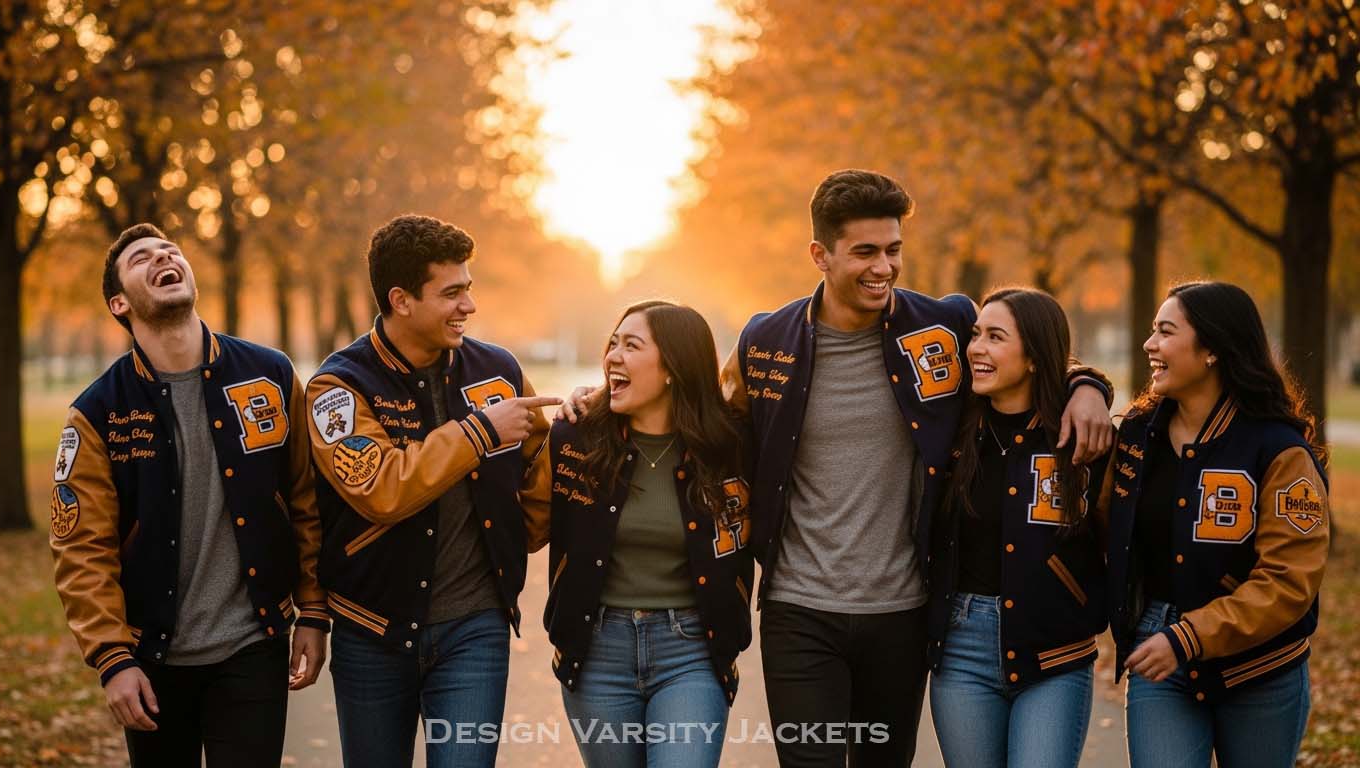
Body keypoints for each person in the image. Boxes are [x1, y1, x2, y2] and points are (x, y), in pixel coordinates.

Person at [561, 169, 1116, 767]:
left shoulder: (942, 328)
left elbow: (1023, 351)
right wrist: (603, 398)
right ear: (820, 255)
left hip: (901, 614)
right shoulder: (766, 341)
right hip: (799, 614)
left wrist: (1087, 385)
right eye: (866, 252)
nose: (884, 267)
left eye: (894, 250)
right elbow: (704, 417)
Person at [49, 223, 329, 767]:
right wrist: (112, 656)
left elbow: (305, 501)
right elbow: (81, 549)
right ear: (119, 303)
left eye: (170, 251)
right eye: (141, 260)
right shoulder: (97, 412)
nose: (162, 259)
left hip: (253, 644)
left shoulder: (269, 375)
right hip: (150, 660)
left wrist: (313, 611)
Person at [305, 214, 559, 768]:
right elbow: (380, 488)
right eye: (452, 293)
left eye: (468, 288)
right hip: (371, 629)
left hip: (476, 628)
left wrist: (522, 533)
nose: (469, 305)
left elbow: (539, 461)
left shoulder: (497, 369)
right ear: (401, 300)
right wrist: (479, 432)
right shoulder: (337, 387)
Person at [524, 301, 754, 768]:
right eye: (612, 342)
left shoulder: (728, 446)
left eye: (632, 345)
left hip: (690, 650)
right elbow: (527, 529)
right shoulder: (576, 439)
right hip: (596, 653)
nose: (613, 355)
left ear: (673, 366)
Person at [1107, 281, 1329, 767]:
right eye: (1151, 332)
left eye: (1165, 332)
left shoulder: (1279, 449)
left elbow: (1289, 582)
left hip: (1262, 670)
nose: (1150, 345)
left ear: (1211, 349)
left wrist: (1190, 637)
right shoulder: (1137, 436)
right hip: (1158, 655)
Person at [926, 287, 1110, 767]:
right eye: (976, 335)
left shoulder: (1080, 437)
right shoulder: (953, 428)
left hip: (1055, 655)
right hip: (961, 651)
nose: (976, 348)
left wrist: (1088, 384)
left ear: (1033, 357)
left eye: (995, 337)